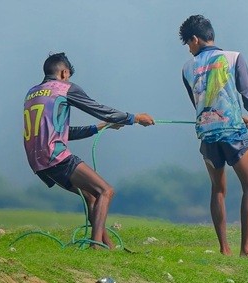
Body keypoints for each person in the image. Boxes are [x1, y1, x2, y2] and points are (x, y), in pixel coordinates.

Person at [23, 52, 155, 249]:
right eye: (68, 76)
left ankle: (107, 246)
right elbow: (98, 108)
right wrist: (134, 118)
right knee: (106, 191)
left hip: (38, 162)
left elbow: (62, 132)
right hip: (55, 156)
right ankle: (94, 246)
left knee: (91, 196)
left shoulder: (32, 93)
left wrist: (98, 127)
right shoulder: (64, 88)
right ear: (64, 73)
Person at [179, 14, 248, 257]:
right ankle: (247, 248)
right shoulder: (233, 58)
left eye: (188, 44)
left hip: (207, 136)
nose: (189, 49)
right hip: (233, 134)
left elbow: (201, 104)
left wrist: (242, 116)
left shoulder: (187, 68)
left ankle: (224, 249)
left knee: (218, 190)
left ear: (195, 39)